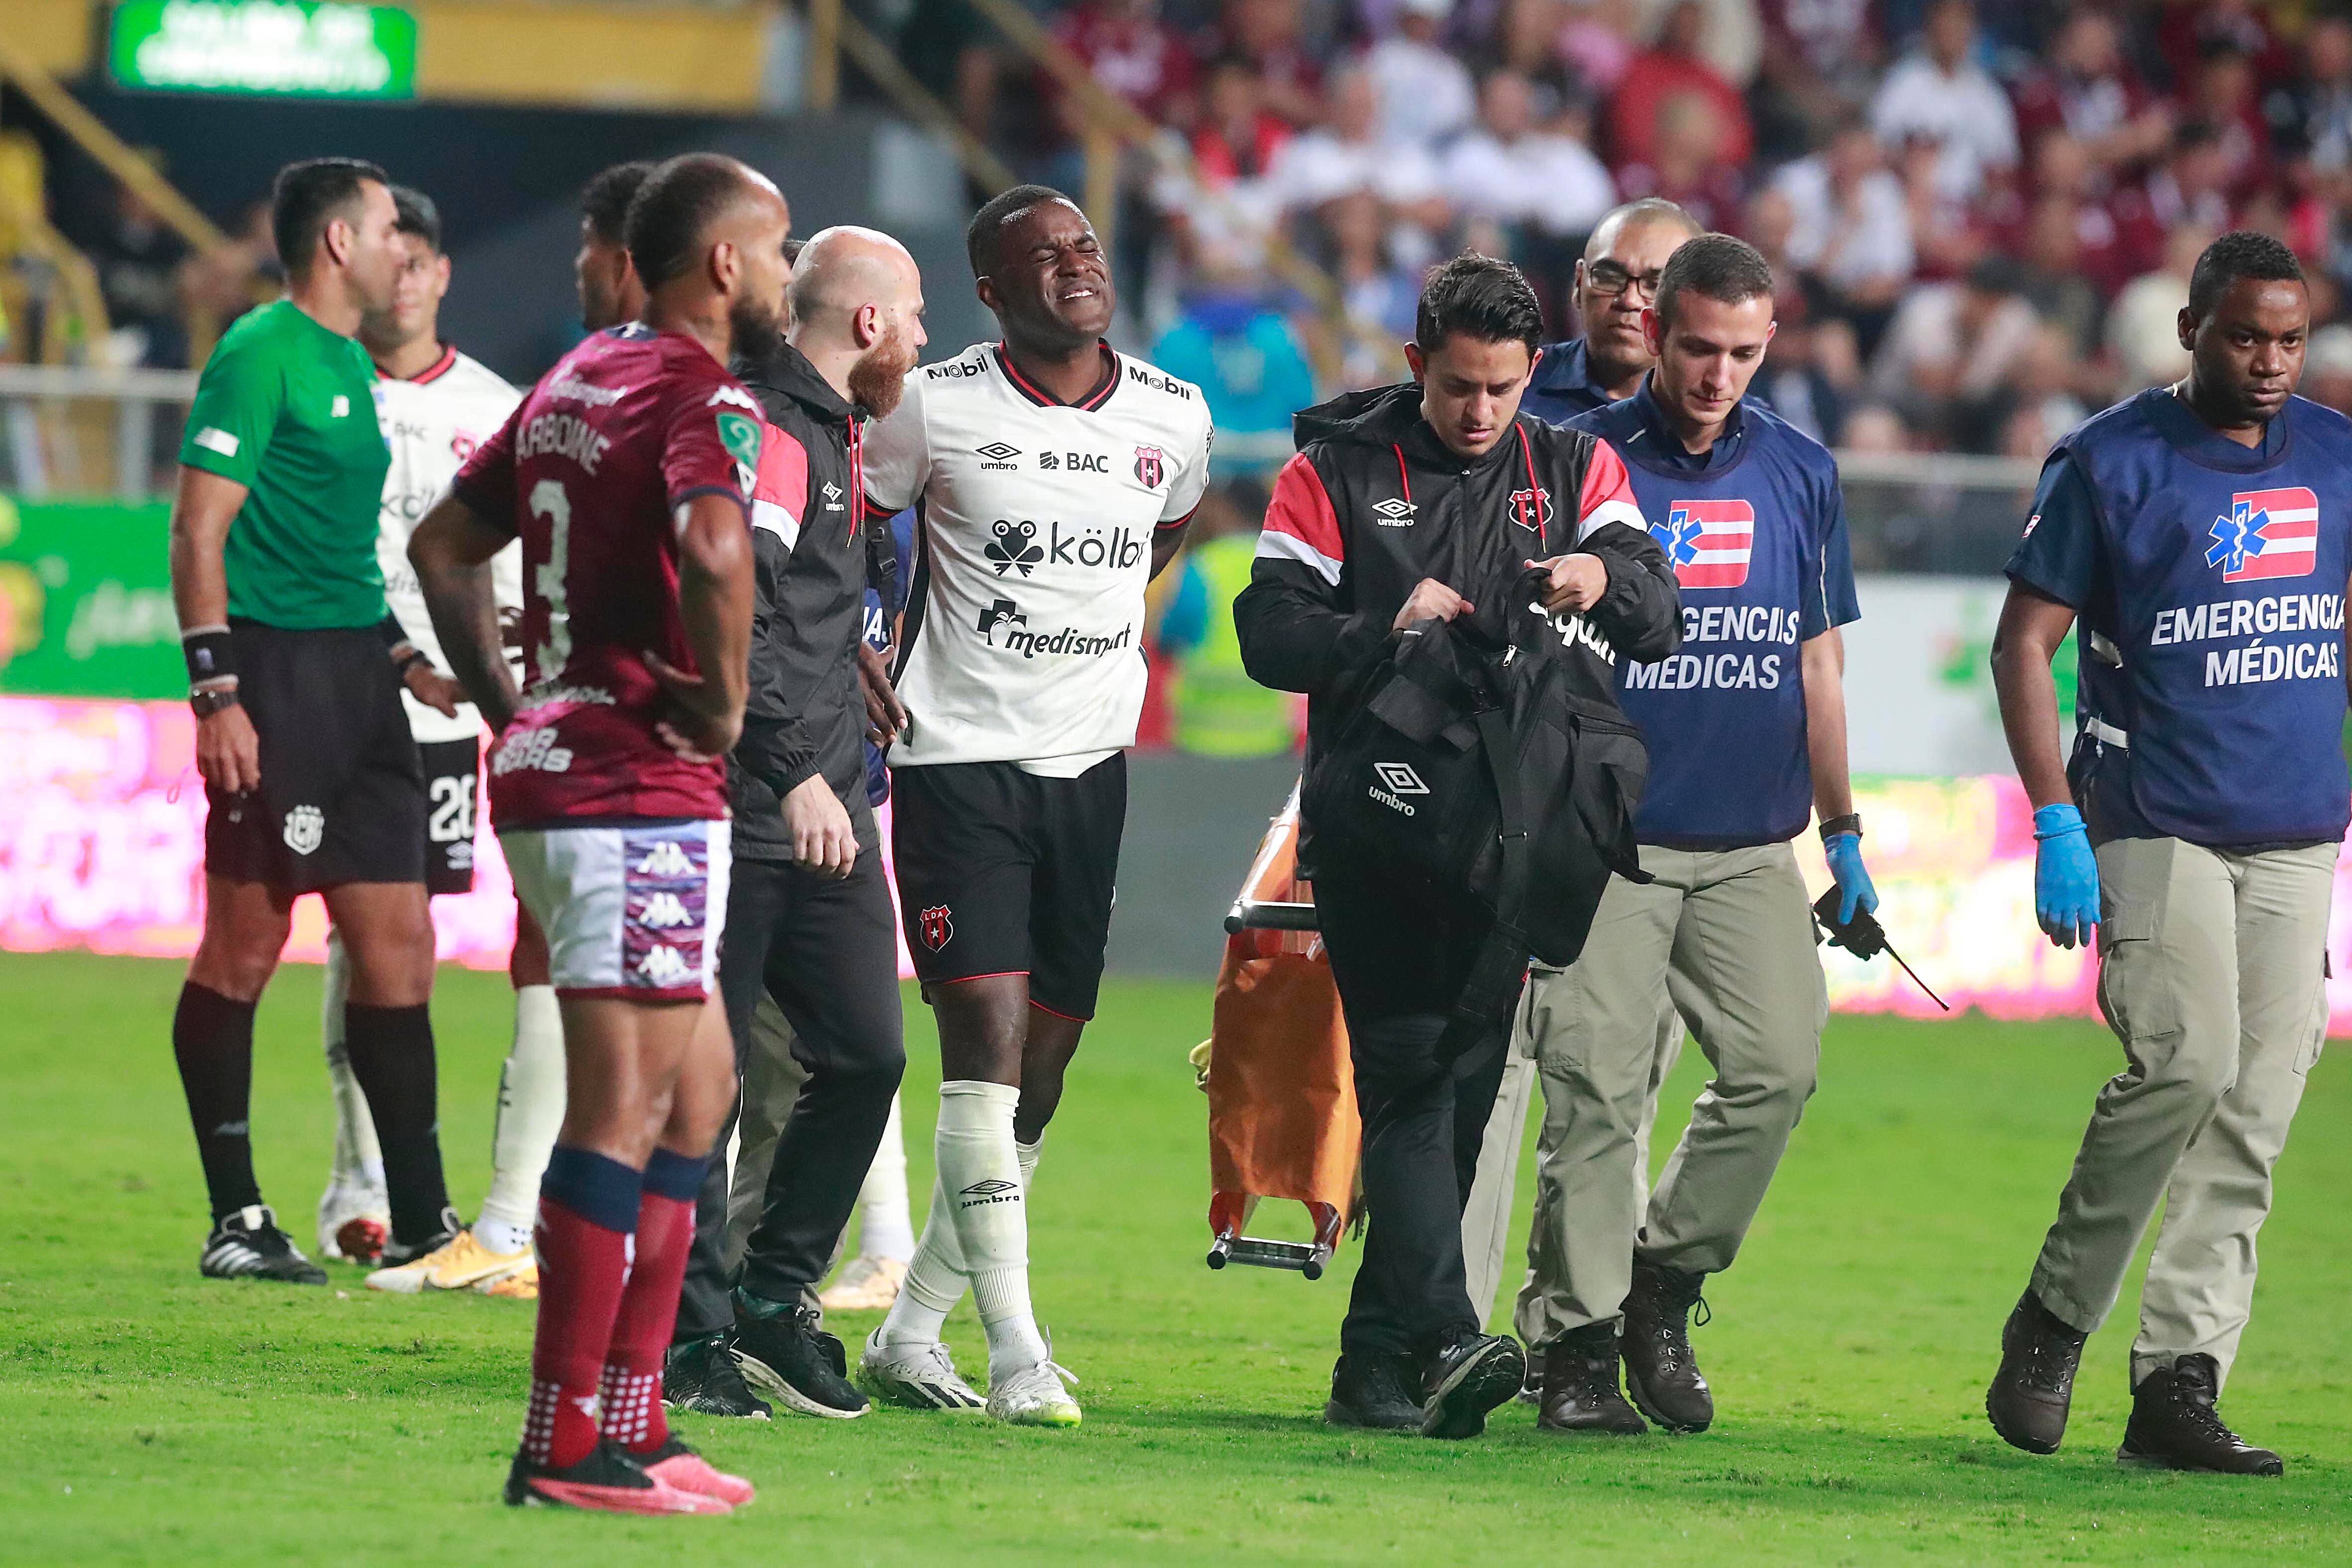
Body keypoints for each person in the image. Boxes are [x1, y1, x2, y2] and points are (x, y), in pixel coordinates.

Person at [1233, 252, 1680, 1440]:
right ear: (1418, 365)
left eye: (1501, 390)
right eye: (1458, 389)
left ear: (1534, 372)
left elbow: (1657, 601)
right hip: (1377, 820)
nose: (1479, 413)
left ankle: (1373, 1372)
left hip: (1519, 836)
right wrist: (1388, 621)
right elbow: (1268, 631)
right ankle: (1443, 1331)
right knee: (1408, 1075)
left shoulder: (1579, 463)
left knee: (1461, 1101)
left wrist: (1603, 571)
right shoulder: (1332, 467)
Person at [409, 151, 788, 1514]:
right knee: (625, 1106)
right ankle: (560, 1439)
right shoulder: (701, 393)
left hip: (572, 769)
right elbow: (712, 542)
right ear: (726, 264)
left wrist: (518, 704)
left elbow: (447, 543)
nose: (789, 273)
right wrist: (726, 697)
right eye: (780, 247)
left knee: (699, 1092)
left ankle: (633, 1414)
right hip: (635, 783)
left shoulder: (574, 380)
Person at [1982, 232, 2349, 1478]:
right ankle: (2055, 1319)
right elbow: (2022, 644)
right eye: (2247, 336)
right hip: (2153, 815)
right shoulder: (2110, 461)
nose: (2271, 363)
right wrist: (2055, 818)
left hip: (2298, 830)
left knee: (2258, 1109)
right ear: (2191, 329)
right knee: (2187, 1066)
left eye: (2291, 340)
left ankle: (2179, 1386)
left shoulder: (2341, 461)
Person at [856, 186, 1214, 1427]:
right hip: (955, 762)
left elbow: (1158, 536)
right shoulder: (929, 404)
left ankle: (911, 1336)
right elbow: (852, 523)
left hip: (1091, 765)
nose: (1075, 267)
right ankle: (1017, 1353)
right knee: (988, 1058)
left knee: (1045, 1071)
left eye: (1086, 248)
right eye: (1041, 258)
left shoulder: (1175, 416)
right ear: (994, 293)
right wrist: (860, 638)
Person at [1517, 235, 1871, 1435]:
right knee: (1596, 1096)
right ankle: (1570, 1347)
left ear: (1768, 345)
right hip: (1605, 837)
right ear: (1655, 335)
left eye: (1742, 353)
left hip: (1746, 844)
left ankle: (1659, 1289)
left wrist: (1846, 830)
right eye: (1697, 348)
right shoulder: (1580, 459)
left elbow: (1818, 661)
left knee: (1778, 1068)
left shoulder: (1803, 471)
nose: (1718, 374)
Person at [167, 157, 466, 1285]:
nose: (407, 248)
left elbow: (341, 554)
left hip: (360, 684)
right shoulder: (259, 354)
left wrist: (403, 659)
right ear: (341, 243)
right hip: (274, 683)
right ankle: (236, 1219)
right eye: (393, 228)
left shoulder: (347, 360)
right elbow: (198, 533)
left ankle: (430, 1229)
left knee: (403, 949)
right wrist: (219, 694)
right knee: (245, 948)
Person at [663, 226, 923, 1421]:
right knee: (699, 1088)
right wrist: (787, 770)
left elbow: (804, 609)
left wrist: (856, 673)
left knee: (867, 1053)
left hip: (827, 802)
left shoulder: (838, 433)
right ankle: (687, 1335)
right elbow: (728, 613)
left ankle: (772, 1296)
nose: (921, 343)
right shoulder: (765, 425)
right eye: (914, 318)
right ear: (866, 322)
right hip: (746, 806)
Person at [306, 185, 541, 1298]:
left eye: (419, 259)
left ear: (442, 274)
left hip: (449, 713)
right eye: (384, 255)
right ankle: (358, 1182)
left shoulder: (496, 408)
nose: (401, 276)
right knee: (361, 939)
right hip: (337, 702)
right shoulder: (318, 386)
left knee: (415, 942)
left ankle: (431, 1190)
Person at [1521, 199, 1702, 425]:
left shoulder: (1740, 427)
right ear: (1579, 283)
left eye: (1656, 284)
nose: (1630, 300)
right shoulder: (1512, 392)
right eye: (1609, 277)